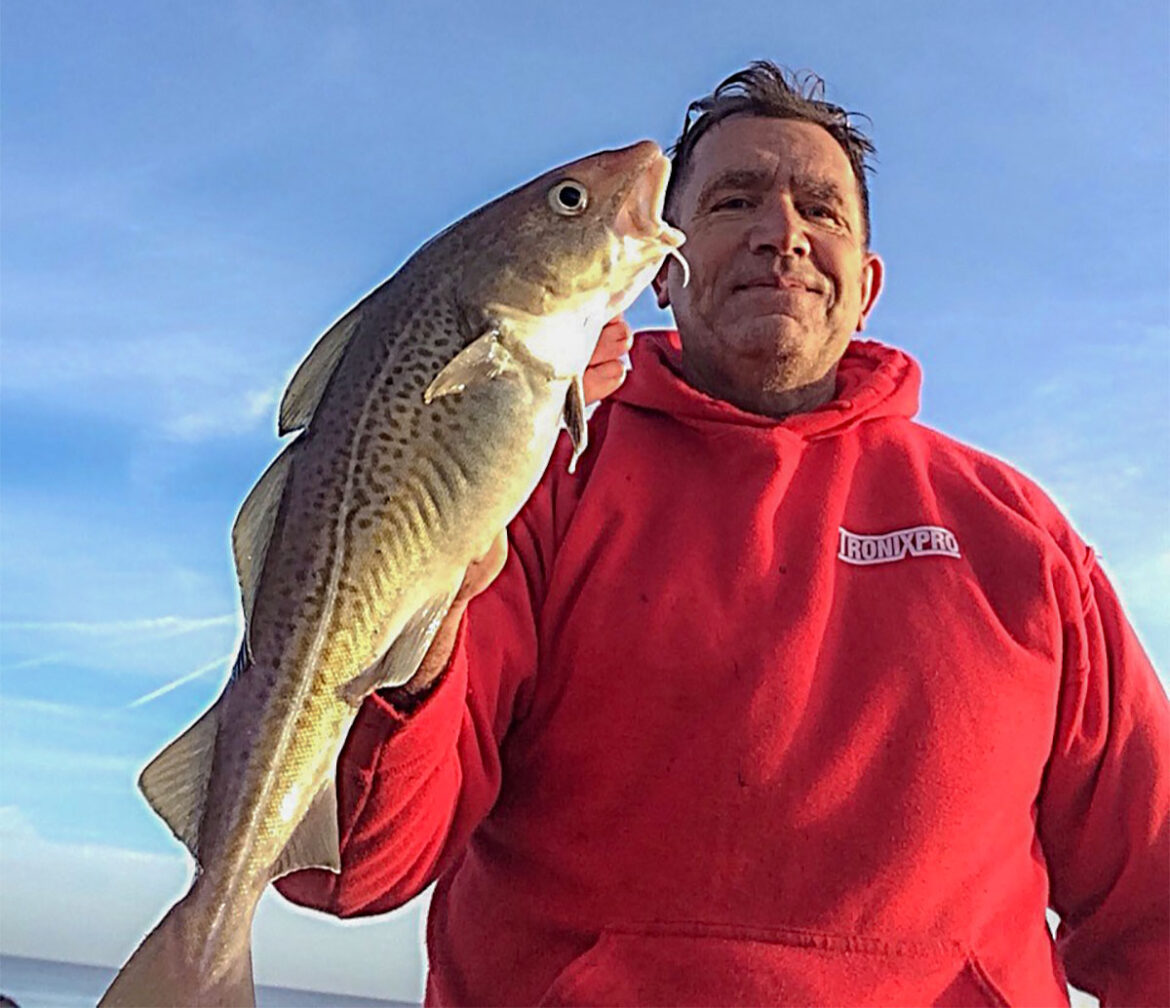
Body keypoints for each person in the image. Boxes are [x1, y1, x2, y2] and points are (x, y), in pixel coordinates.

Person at [277, 62, 1169, 1006]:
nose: (781, 233)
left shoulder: (1019, 534)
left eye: (820, 211)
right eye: (735, 200)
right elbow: (353, 866)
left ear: (864, 287)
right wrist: (413, 632)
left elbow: (1153, 898)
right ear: (664, 268)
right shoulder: (537, 481)